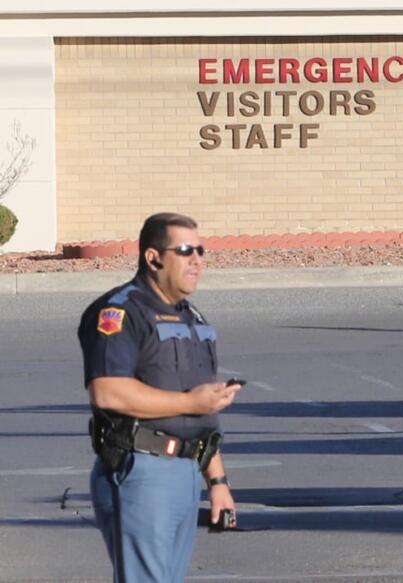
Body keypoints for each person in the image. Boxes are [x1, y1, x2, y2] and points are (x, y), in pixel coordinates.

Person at [78, 212, 241, 582]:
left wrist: (218, 483)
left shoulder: (191, 317)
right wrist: (191, 403)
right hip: (142, 468)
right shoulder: (121, 312)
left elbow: (202, 410)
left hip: (187, 470)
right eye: (185, 250)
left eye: (201, 250)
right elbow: (108, 391)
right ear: (153, 258)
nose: (197, 259)